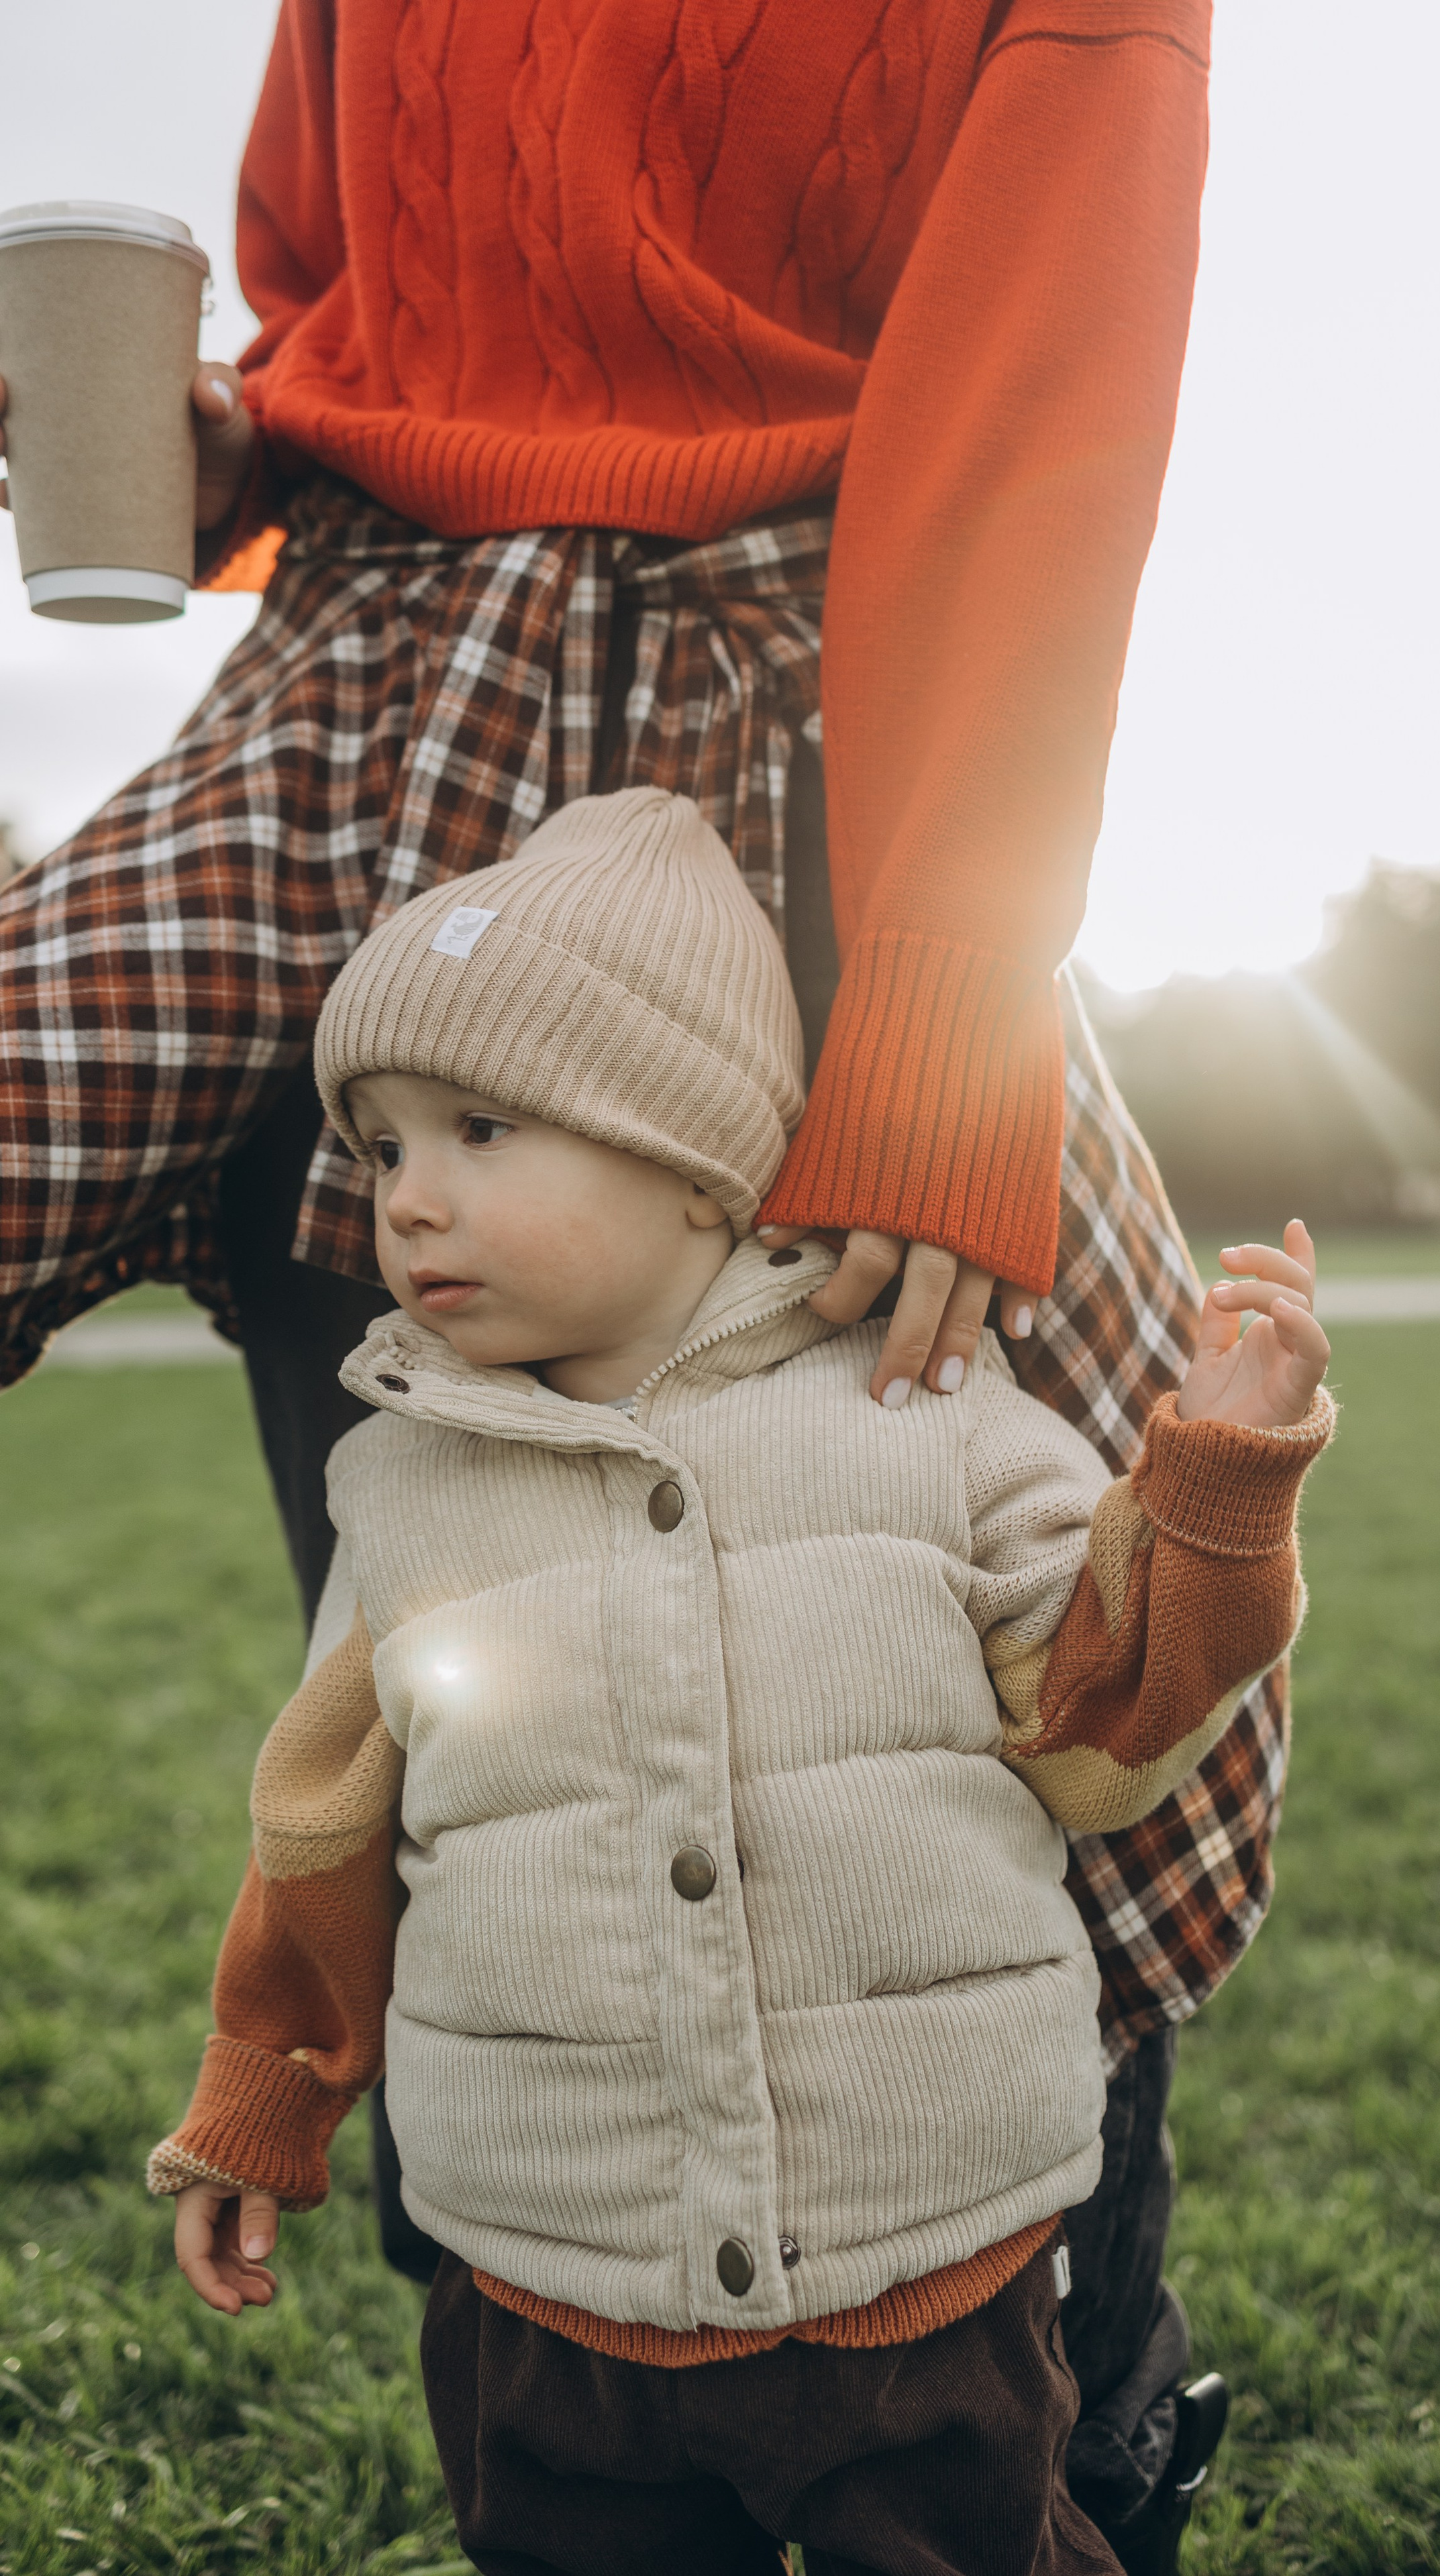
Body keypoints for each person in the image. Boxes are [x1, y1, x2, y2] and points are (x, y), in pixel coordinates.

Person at [0, 4, 1294, 2561]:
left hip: (832, 733)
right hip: (360, 711)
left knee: (978, 1659)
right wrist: (224, 445)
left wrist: (940, 993)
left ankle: (1058, 2423)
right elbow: (355, 326)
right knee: (476, 1686)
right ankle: (558, 2344)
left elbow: (1048, 400)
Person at [151, 790, 1333, 2576]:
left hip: (919, 2280)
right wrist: (267, 2082)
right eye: (383, 1148)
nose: (411, 1199)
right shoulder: (396, 1486)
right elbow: (314, 1827)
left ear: (699, 1160)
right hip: (551, 2293)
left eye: (478, 1127)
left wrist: (1216, 1491)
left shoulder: (927, 1414)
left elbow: (1109, 1727)